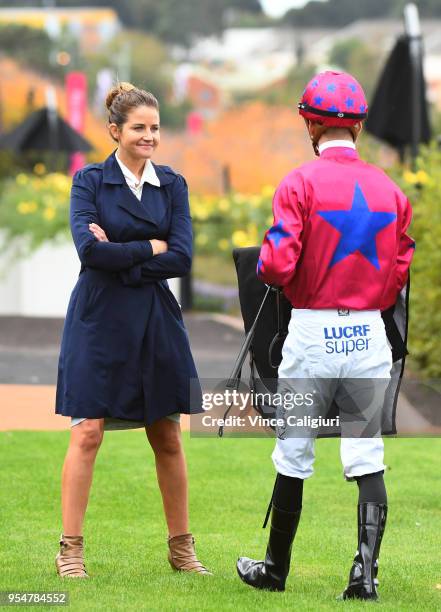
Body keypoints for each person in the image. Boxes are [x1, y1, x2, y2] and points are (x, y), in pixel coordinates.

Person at [236, 71, 414, 599]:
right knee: (366, 453)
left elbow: (275, 266)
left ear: (311, 124)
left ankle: (275, 569)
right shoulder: (391, 190)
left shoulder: (299, 183)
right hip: (367, 335)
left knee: (294, 452)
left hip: (312, 332)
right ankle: (365, 575)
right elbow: (400, 270)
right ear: (358, 126)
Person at [55, 82, 210, 578]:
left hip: (155, 319)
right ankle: (70, 551)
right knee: (88, 434)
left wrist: (126, 254)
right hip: (98, 319)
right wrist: (151, 249)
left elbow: (183, 257)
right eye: (139, 128)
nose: (149, 137)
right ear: (115, 131)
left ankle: (182, 550)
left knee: (167, 435)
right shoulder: (89, 181)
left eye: (155, 128)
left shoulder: (174, 184)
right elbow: (89, 253)